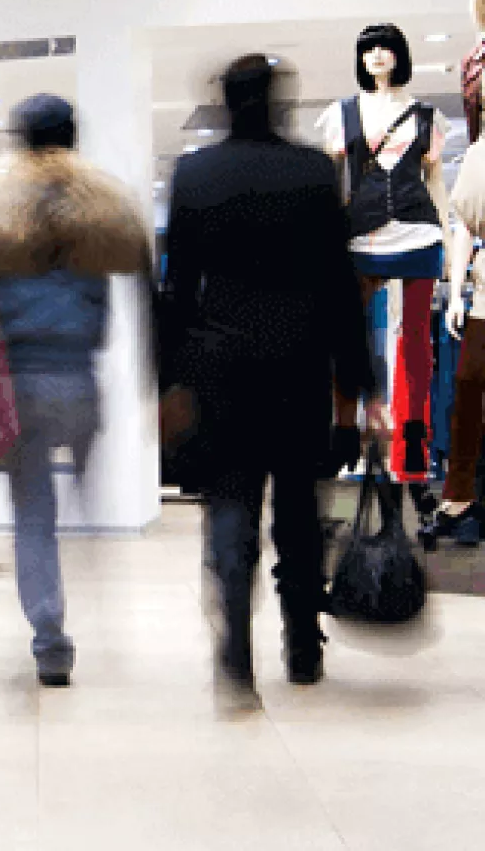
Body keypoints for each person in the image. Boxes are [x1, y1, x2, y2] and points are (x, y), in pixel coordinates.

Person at [164, 56, 382, 710]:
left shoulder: (196, 174)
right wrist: (358, 382)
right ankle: (303, 648)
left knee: (230, 511)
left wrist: (169, 380)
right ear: (279, 102)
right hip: (299, 366)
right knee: (298, 513)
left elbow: (177, 291)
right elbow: (339, 287)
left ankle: (234, 658)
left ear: (226, 103)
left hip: (223, 369)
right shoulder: (313, 172)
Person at [0, 93, 153, 688]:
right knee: (89, 501)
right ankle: (110, 616)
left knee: (34, 516)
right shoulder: (101, 208)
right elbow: (140, 286)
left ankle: (51, 641)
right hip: (81, 378)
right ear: (73, 136)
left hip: (21, 382)